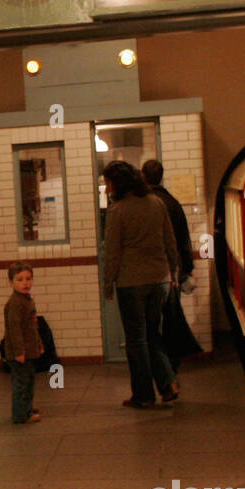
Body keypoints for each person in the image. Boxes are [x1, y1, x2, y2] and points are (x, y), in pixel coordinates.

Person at [101, 161, 179, 408]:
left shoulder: (118, 210)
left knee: (136, 340)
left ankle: (144, 395)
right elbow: (170, 239)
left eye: (108, 182)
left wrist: (108, 283)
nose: (106, 186)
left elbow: (112, 252)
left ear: (117, 184)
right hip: (160, 280)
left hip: (131, 282)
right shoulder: (156, 202)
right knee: (152, 332)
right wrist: (174, 271)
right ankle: (168, 384)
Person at [141, 159, 194, 291]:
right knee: (172, 308)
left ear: (143, 176)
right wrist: (187, 267)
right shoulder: (172, 203)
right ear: (161, 176)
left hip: (146, 268)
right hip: (171, 267)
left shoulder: (139, 204)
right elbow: (183, 238)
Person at [3, 261, 43, 424]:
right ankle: (21, 414)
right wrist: (19, 352)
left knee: (28, 380)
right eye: (20, 279)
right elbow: (14, 330)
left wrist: (39, 343)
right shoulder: (16, 303)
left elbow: (32, 326)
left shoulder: (26, 299)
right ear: (11, 283)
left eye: (28, 278)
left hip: (28, 349)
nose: (25, 283)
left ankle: (25, 406)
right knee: (22, 383)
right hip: (19, 352)